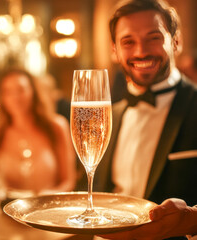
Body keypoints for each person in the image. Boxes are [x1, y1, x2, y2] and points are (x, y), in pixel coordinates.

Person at [93, 0, 197, 239]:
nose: (141, 51)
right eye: (128, 42)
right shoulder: (107, 116)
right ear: (114, 50)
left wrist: (192, 220)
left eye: (154, 38)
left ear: (176, 41)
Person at [0, 69, 76, 195]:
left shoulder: (56, 127)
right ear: (1, 97)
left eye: (21, 90)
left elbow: (69, 182)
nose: (15, 97)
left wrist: (44, 198)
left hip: (46, 209)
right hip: (7, 210)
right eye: (8, 92)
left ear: (33, 92)